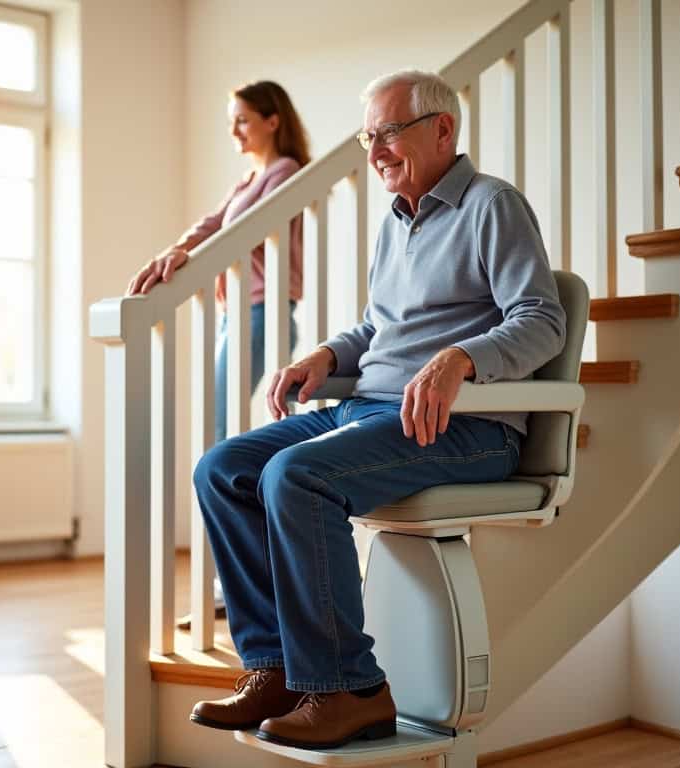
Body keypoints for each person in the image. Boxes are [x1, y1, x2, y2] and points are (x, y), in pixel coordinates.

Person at [187, 70, 566, 750]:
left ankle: (351, 690)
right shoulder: (396, 222)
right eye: (369, 136)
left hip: (467, 429)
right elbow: (379, 329)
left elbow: (542, 320)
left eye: (387, 133)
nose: (375, 151)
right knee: (222, 468)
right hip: (369, 411)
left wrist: (462, 358)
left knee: (294, 477)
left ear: (443, 129)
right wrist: (327, 357)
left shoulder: (492, 205)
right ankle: (274, 668)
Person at [126, 80, 310, 444]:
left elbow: (250, 228)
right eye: (232, 121)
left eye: (242, 120)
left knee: (217, 419)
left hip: (263, 311)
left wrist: (191, 253)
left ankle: (227, 496)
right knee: (218, 418)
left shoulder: (285, 172)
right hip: (239, 313)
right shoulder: (250, 179)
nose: (233, 130)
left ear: (273, 122)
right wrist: (175, 251)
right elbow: (213, 222)